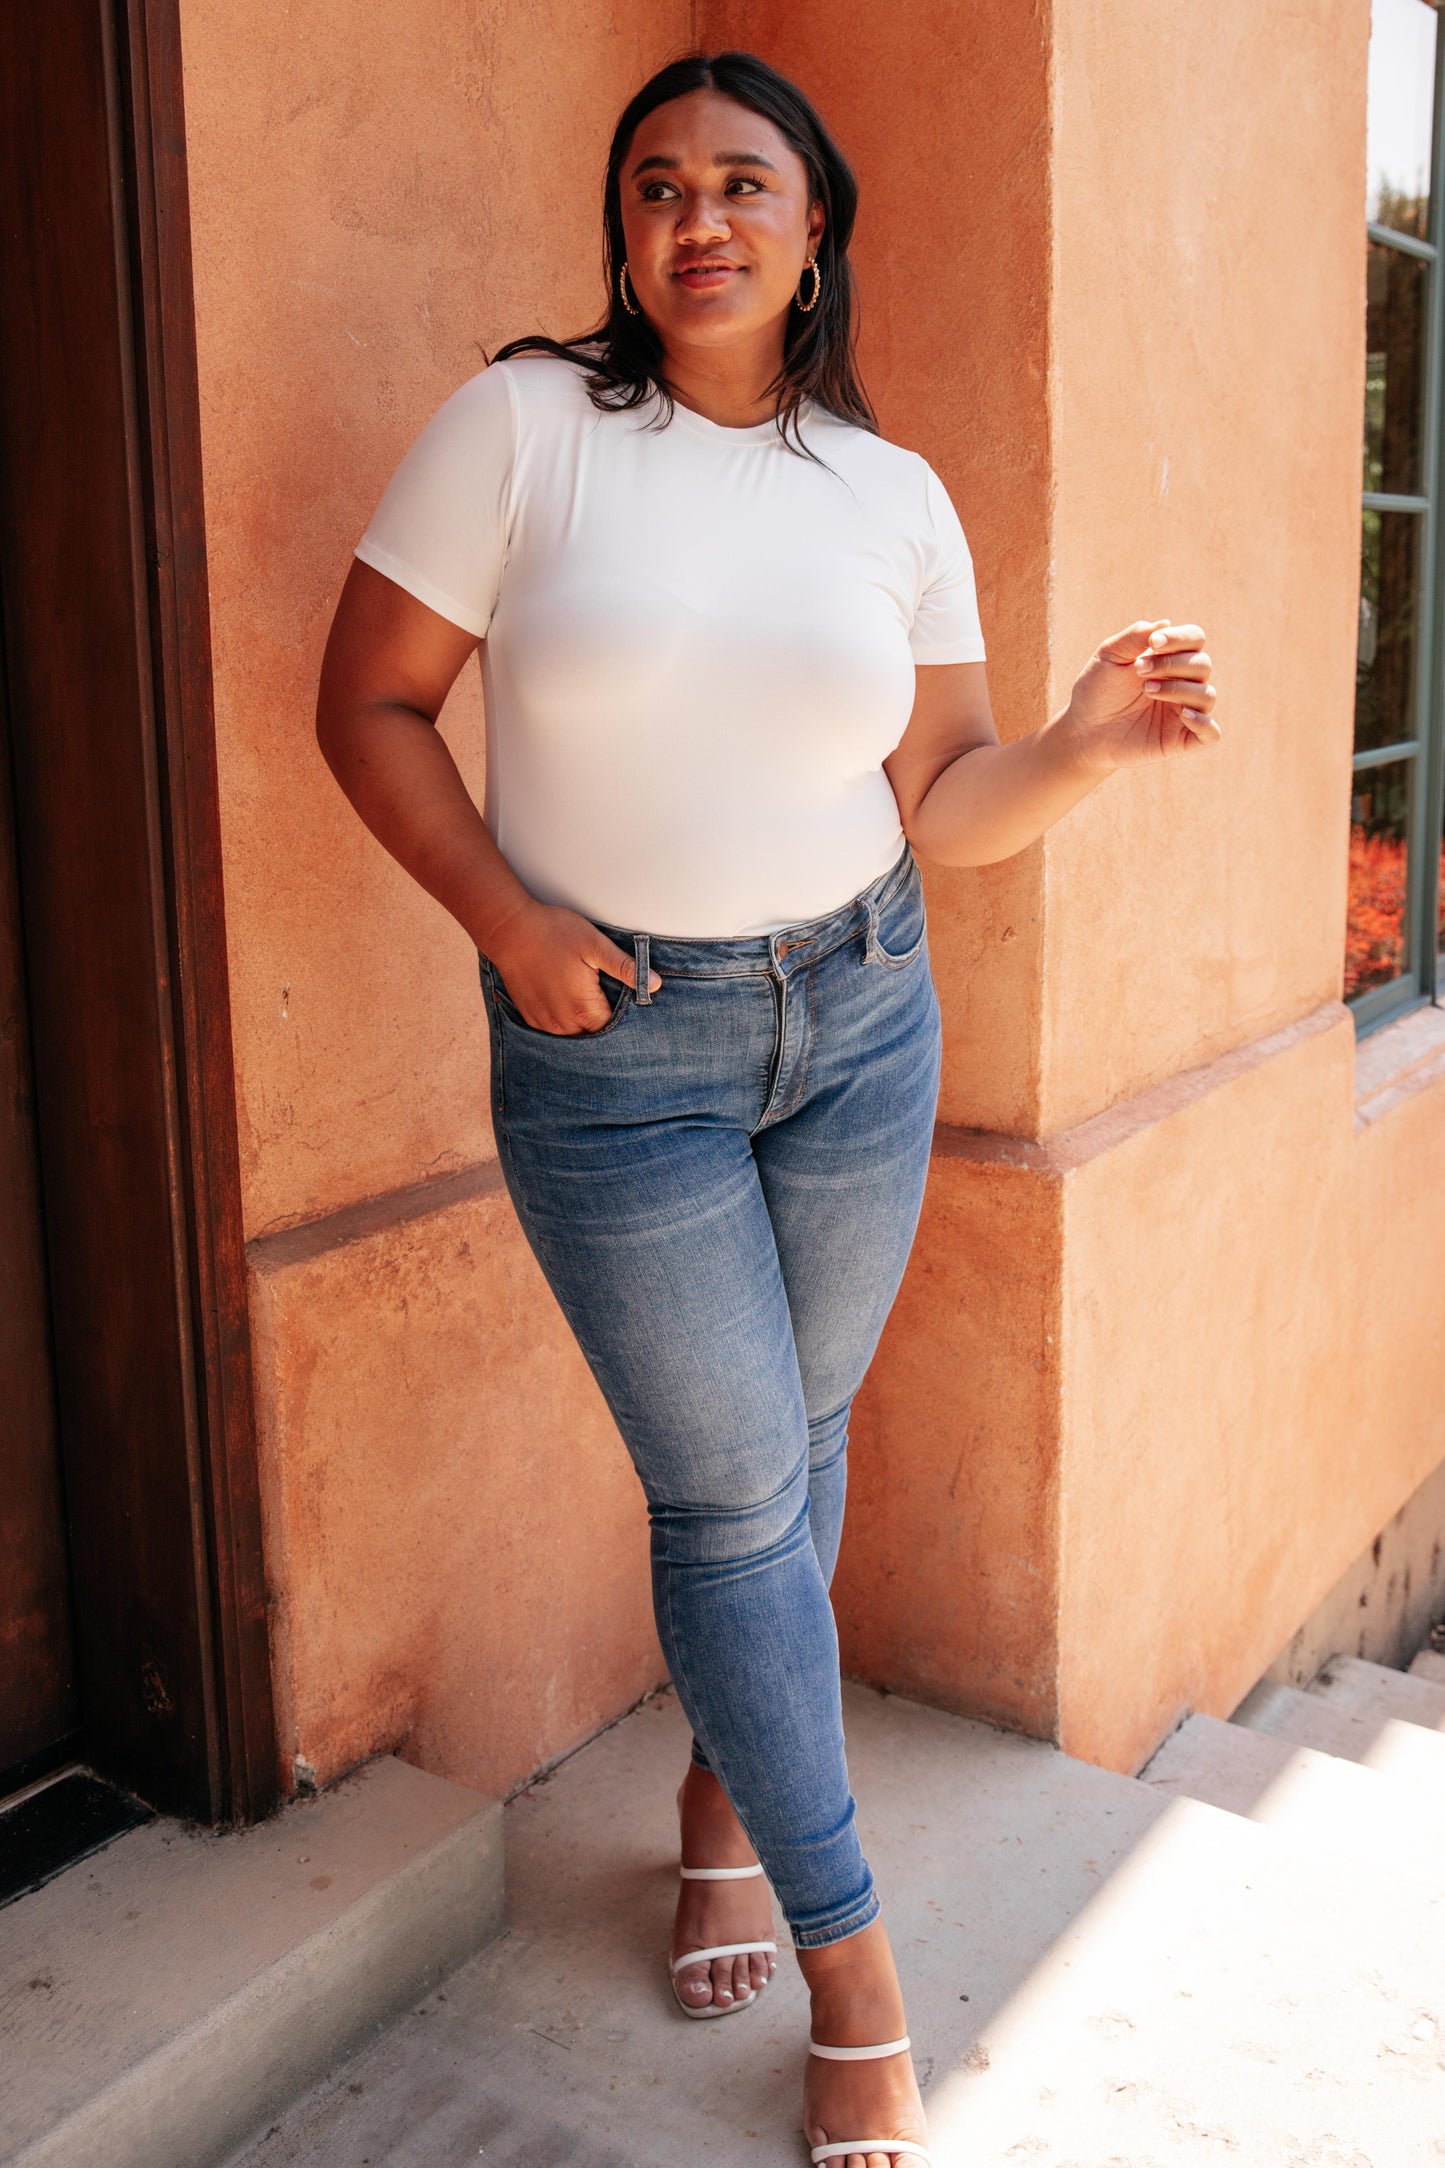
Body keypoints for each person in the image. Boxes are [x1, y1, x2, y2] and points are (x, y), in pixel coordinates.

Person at [315, 47, 1220, 2168]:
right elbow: (366, 701)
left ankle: (727, 1797)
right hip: (612, 1047)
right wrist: (505, 919)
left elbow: (949, 801)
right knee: (732, 1501)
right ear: (622, 232)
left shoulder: (887, 495)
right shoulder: (524, 428)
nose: (696, 217)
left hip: (863, 1017)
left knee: (795, 1451)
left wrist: (1080, 745)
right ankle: (856, 1965)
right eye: (656, 185)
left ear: (816, 232)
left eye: (742, 182)